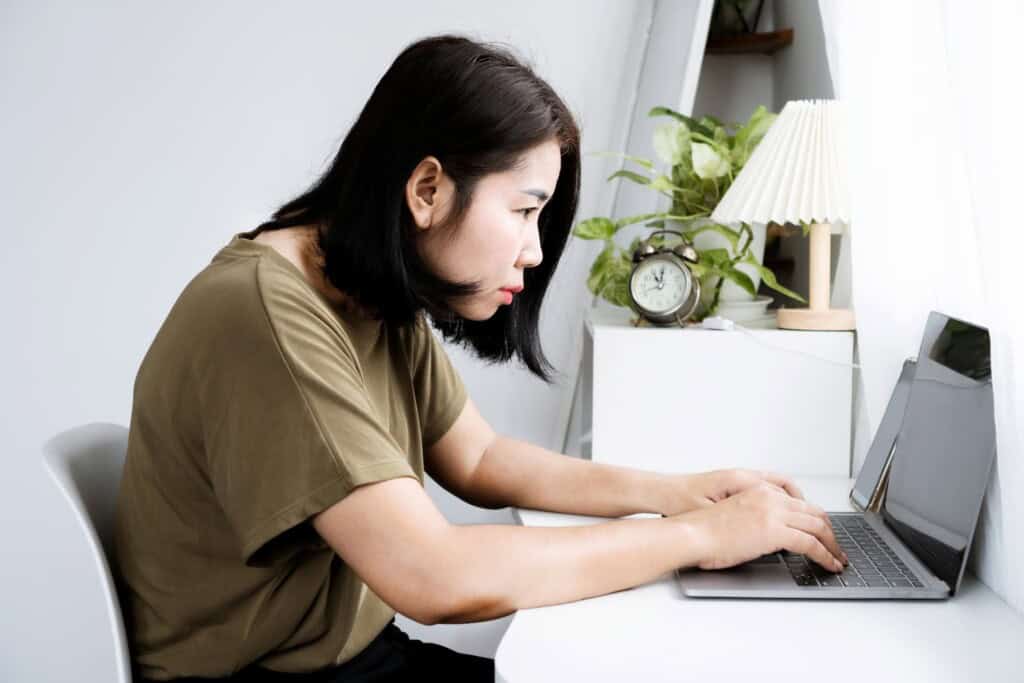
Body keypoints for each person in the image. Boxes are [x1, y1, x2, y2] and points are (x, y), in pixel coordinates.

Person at [114, 34, 848, 683]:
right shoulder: (269, 313)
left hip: (354, 659)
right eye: (525, 210)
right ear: (426, 189)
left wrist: (678, 491)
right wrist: (699, 537)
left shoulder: (369, 288)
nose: (534, 249)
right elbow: (432, 575)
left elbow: (481, 457)